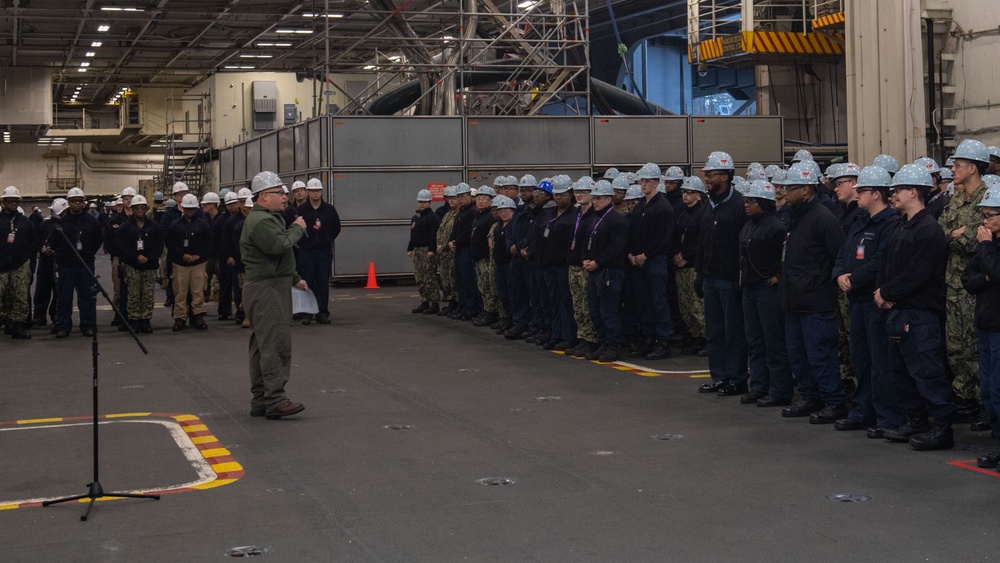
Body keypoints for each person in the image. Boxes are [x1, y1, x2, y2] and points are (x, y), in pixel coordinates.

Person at [876, 163, 953, 450]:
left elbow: (918, 273)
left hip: (921, 314)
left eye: (897, 190)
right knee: (901, 370)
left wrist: (887, 291)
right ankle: (917, 421)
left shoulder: (928, 230)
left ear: (912, 192)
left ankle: (942, 428)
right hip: (899, 310)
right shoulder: (902, 228)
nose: (892, 195)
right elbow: (889, 265)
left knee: (927, 370)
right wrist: (883, 292)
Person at [831, 166, 902, 437]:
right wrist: (839, 275)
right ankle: (863, 410)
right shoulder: (860, 221)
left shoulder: (891, 224)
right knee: (860, 358)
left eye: (861, 190)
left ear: (876, 193)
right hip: (856, 299)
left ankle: (887, 417)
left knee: (880, 360)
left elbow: (880, 260)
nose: (857, 194)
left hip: (874, 300)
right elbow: (843, 252)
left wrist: (855, 278)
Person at [777, 160, 847, 421]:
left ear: (806, 189)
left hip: (816, 300)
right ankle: (809, 397)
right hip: (794, 298)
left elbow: (839, 255)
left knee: (820, 354)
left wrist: (820, 283)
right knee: (797, 353)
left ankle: (834, 401)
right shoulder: (794, 217)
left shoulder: (823, 218)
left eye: (790, 188)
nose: (785, 192)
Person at [240, 171, 308, 420]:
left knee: (262, 344)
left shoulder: (267, 219)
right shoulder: (262, 222)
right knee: (275, 344)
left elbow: (276, 257)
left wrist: (293, 278)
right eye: (279, 193)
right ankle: (275, 399)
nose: (285, 197)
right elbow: (278, 245)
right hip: (267, 289)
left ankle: (261, 398)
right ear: (263, 196)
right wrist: (297, 229)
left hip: (270, 284)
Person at [939, 139, 991, 429]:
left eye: (958, 165)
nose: (954, 170)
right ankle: (964, 400)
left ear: (973, 168)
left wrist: (962, 235)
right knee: (955, 346)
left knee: (976, 347)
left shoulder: (988, 198)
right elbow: (940, 232)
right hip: (953, 284)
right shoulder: (955, 200)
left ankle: (986, 403)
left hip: (976, 286)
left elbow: (977, 238)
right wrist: (955, 235)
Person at [696, 152, 749, 395]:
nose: (707, 178)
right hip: (710, 278)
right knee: (714, 332)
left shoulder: (739, 205)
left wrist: (740, 278)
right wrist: (700, 274)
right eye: (706, 174)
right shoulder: (708, 205)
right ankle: (719, 377)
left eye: (712, 174)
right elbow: (703, 243)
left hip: (729, 281)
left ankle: (737, 379)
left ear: (726, 177)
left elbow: (744, 247)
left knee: (733, 333)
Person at [738, 180, 792, 406]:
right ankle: (759, 386)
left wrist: (778, 276)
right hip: (749, 289)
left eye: (752, 201)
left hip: (767, 291)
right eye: (746, 201)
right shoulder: (748, 225)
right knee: (755, 341)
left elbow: (787, 256)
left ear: (763, 202)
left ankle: (779, 390)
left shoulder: (776, 227)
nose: (747, 205)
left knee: (773, 341)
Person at [962, 183, 1000, 468]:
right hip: (986, 324)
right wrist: (987, 276)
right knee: (987, 391)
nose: (984, 221)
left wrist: (986, 247)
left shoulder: (988, 245)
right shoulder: (990, 246)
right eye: (984, 216)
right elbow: (968, 278)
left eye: (990, 215)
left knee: (998, 391)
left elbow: (997, 273)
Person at [628, 163, 676, 360]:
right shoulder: (641, 205)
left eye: (648, 181)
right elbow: (633, 233)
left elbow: (663, 238)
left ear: (657, 182)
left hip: (655, 261)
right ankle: (649, 337)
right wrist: (631, 254)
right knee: (644, 302)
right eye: (642, 181)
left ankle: (663, 341)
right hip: (639, 261)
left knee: (658, 301)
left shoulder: (663, 207)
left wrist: (645, 255)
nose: (644, 184)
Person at [582, 180, 629, 362]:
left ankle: (613, 344)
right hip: (594, 270)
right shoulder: (595, 218)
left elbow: (616, 247)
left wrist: (597, 262)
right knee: (596, 310)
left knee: (609, 310)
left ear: (609, 199)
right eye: (594, 198)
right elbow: (586, 242)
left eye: (599, 198)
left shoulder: (617, 220)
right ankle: (603, 342)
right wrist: (585, 259)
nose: (596, 202)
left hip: (609, 271)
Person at [51, 187, 103, 338]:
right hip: (66, 264)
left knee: (87, 296)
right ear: (69, 203)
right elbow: (53, 242)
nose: (77, 204)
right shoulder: (61, 221)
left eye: (80, 201)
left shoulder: (91, 221)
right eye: (74, 201)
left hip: (85, 264)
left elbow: (98, 239)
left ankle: (88, 325)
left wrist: (88, 253)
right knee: (64, 296)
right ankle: (63, 326)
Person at [296, 178, 341, 325]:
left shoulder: (329, 210)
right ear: (308, 192)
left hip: (323, 251)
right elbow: (295, 228)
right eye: (312, 191)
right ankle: (307, 313)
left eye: (318, 191)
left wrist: (326, 239)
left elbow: (336, 227)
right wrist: (302, 242)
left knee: (322, 282)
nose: (315, 193)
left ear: (321, 191)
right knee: (307, 281)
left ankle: (322, 313)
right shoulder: (301, 211)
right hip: (306, 251)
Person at [115, 195, 163, 333]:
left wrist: (148, 257)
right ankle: (134, 320)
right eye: (137, 208)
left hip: (149, 266)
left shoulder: (154, 227)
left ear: (146, 209)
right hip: (132, 266)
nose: (140, 210)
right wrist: (136, 256)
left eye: (143, 208)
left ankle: (146, 320)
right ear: (132, 209)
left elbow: (159, 245)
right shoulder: (125, 228)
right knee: (133, 294)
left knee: (148, 294)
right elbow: (122, 246)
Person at [166, 193, 212, 331]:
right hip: (180, 264)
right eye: (187, 209)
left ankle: (198, 316)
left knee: (198, 291)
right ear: (183, 209)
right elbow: (170, 243)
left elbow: (209, 242)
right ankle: (180, 318)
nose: (190, 211)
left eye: (192, 209)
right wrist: (182, 254)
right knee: (180, 292)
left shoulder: (203, 225)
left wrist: (199, 255)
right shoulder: (175, 225)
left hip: (198, 264)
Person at [564, 179, 599, 358]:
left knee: (587, 305)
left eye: (584, 191)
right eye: (577, 191)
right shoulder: (576, 213)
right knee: (577, 305)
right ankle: (582, 337)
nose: (579, 194)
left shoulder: (594, 215)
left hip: (586, 265)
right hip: (573, 263)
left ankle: (591, 339)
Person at [673, 177, 708, 357]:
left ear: (699, 195)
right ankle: (693, 334)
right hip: (681, 265)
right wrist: (676, 254)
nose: (685, 195)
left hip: (693, 265)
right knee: (685, 304)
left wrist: (685, 255)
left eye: (689, 193)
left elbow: (702, 241)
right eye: (684, 192)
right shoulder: (683, 214)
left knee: (697, 305)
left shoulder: (703, 214)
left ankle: (704, 337)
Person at [0, 186, 37, 339]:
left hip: (20, 265)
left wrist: (29, 262)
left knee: (20, 296)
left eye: (15, 201)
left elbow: (33, 243)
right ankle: (7, 321)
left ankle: (17, 326)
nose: (13, 203)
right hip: (1, 265)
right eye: (10, 201)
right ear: (3, 202)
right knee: (3, 296)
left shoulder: (25, 222)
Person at [32, 198, 66, 328]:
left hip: (60, 262)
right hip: (46, 262)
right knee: (42, 290)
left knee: (59, 291)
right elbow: (37, 240)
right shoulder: (44, 225)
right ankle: (40, 316)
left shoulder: (65, 225)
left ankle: (56, 315)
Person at [448, 183, 479, 321]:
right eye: (458, 196)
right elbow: (455, 230)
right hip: (459, 250)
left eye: (462, 196)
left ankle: (470, 309)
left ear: (469, 196)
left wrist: (456, 242)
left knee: (468, 282)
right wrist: (451, 241)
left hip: (466, 250)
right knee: (459, 281)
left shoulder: (472, 212)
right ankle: (462, 306)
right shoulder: (461, 212)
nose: (460, 199)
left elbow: (467, 232)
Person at [470, 186, 500, 327]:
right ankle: (485, 309)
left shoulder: (490, 218)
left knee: (489, 286)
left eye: (484, 199)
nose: (480, 201)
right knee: (482, 286)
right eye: (478, 198)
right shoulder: (478, 216)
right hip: (478, 257)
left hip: (487, 258)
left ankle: (491, 312)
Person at [408, 189, 441, 314]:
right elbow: (413, 234)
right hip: (418, 250)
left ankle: (434, 302)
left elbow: (434, 235)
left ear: (429, 202)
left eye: (424, 202)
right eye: (420, 202)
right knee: (420, 277)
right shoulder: (415, 218)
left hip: (427, 249)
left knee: (429, 277)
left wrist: (432, 250)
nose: (421, 204)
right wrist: (410, 248)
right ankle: (424, 301)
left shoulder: (433, 218)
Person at [217, 191, 242, 320]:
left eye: (234, 203)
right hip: (226, 258)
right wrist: (226, 256)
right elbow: (221, 240)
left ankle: (240, 311)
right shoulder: (221, 220)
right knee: (225, 285)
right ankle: (224, 310)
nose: (232, 206)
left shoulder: (244, 218)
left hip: (239, 258)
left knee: (239, 287)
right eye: (229, 204)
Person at [436, 186, 459, 316]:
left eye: (454, 198)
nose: (451, 201)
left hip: (451, 253)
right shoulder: (447, 214)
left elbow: (453, 234)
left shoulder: (458, 215)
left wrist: (444, 247)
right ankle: (450, 302)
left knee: (453, 279)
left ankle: (456, 303)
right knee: (446, 280)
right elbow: (440, 231)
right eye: (449, 198)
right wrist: (439, 246)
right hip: (443, 254)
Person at [200, 192, 223, 304]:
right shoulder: (204, 220)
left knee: (224, 283)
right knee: (203, 284)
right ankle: (202, 307)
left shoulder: (222, 219)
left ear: (212, 205)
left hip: (219, 257)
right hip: (207, 257)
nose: (203, 206)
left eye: (205, 204)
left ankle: (224, 309)